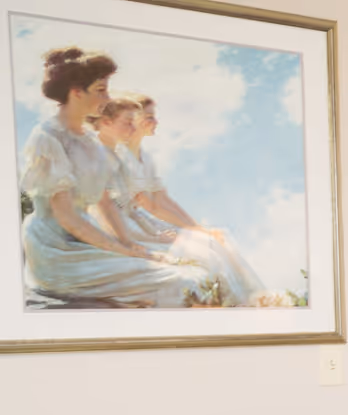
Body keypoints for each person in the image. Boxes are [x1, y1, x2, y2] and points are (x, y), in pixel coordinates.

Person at [17, 48, 209, 307]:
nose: (107, 97)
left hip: (90, 241)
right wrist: (124, 251)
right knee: (183, 283)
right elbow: (68, 218)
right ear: (76, 92)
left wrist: (131, 244)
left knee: (196, 274)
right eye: (101, 89)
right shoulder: (47, 138)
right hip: (56, 250)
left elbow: (105, 202)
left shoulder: (91, 144)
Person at [92, 95, 267, 306]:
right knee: (204, 250)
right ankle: (237, 304)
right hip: (129, 226)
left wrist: (195, 227)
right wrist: (186, 231)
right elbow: (147, 205)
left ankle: (251, 301)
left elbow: (160, 198)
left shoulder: (142, 157)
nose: (154, 122)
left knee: (216, 239)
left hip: (139, 222)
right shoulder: (116, 154)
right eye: (148, 117)